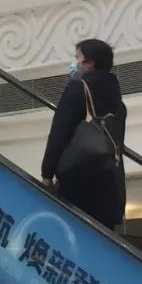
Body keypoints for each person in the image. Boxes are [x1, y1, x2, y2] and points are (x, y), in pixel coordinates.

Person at [41, 38, 127, 231]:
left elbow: (59, 132)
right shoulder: (117, 99)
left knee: (74, 233)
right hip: (110, 185)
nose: (75, 63)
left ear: (89, 62)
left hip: (79, 180)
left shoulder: (78, 88)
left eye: (77, 58)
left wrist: (47, 173)